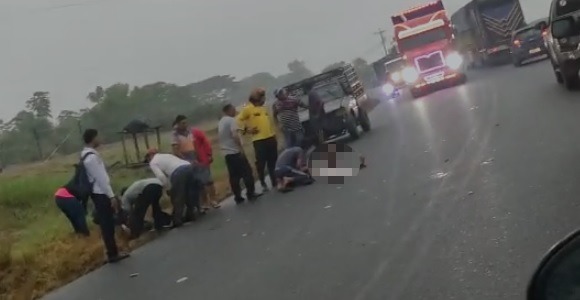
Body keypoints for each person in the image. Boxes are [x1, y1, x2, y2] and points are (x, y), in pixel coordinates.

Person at [81, 129, 130, 263]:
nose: (100, 139)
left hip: (98, 193)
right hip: (101, 194)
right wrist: (111, 196)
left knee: (106, 224)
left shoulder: (85, 155)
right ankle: (113, 253)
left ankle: (112, 252)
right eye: (98, 137)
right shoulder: (91, 157)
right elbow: (101, 178)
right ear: (93, 138)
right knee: (107, 225)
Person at [145, 149, 204, 228]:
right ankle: (192, 213)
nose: (148, 160)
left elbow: (161, 176)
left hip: (178, 172)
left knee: (178, 197)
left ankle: (177, 220)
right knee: (190, 192)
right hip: (189, 167)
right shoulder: (166, 155)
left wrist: (168, 188)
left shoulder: (153, 162)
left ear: (150, 156)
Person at [218, 104, 262, 204]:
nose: (235, 112)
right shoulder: (231, 120)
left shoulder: (221, 121)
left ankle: (238, 197)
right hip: (235, 151)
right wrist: (241, 148)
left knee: (234, 176)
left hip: (227, 153)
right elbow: (234, 135)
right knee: (247, 172)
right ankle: (251, 193)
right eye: (234, 110)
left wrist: (247, 130)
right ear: (229, 110)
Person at [237, 88, 278, 191]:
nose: (264, 98)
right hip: (259, 140)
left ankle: (274, 180)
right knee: (261, 163)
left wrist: (274, 134)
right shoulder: (248, 109)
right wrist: (247, 129)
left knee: (273, 160)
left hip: (270, 137)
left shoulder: (263, 108)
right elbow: (238, 120)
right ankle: (263, 182)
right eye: (262, 97)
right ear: (257, 99)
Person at [191, 127, 220, 210]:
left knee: (208, 181)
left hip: (203, 160)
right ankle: (204, 203)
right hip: (193, 163)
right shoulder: (182, 136)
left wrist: (209, 154)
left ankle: (213, 200)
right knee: (200, 184)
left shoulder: (195, 132)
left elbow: (206, 142)